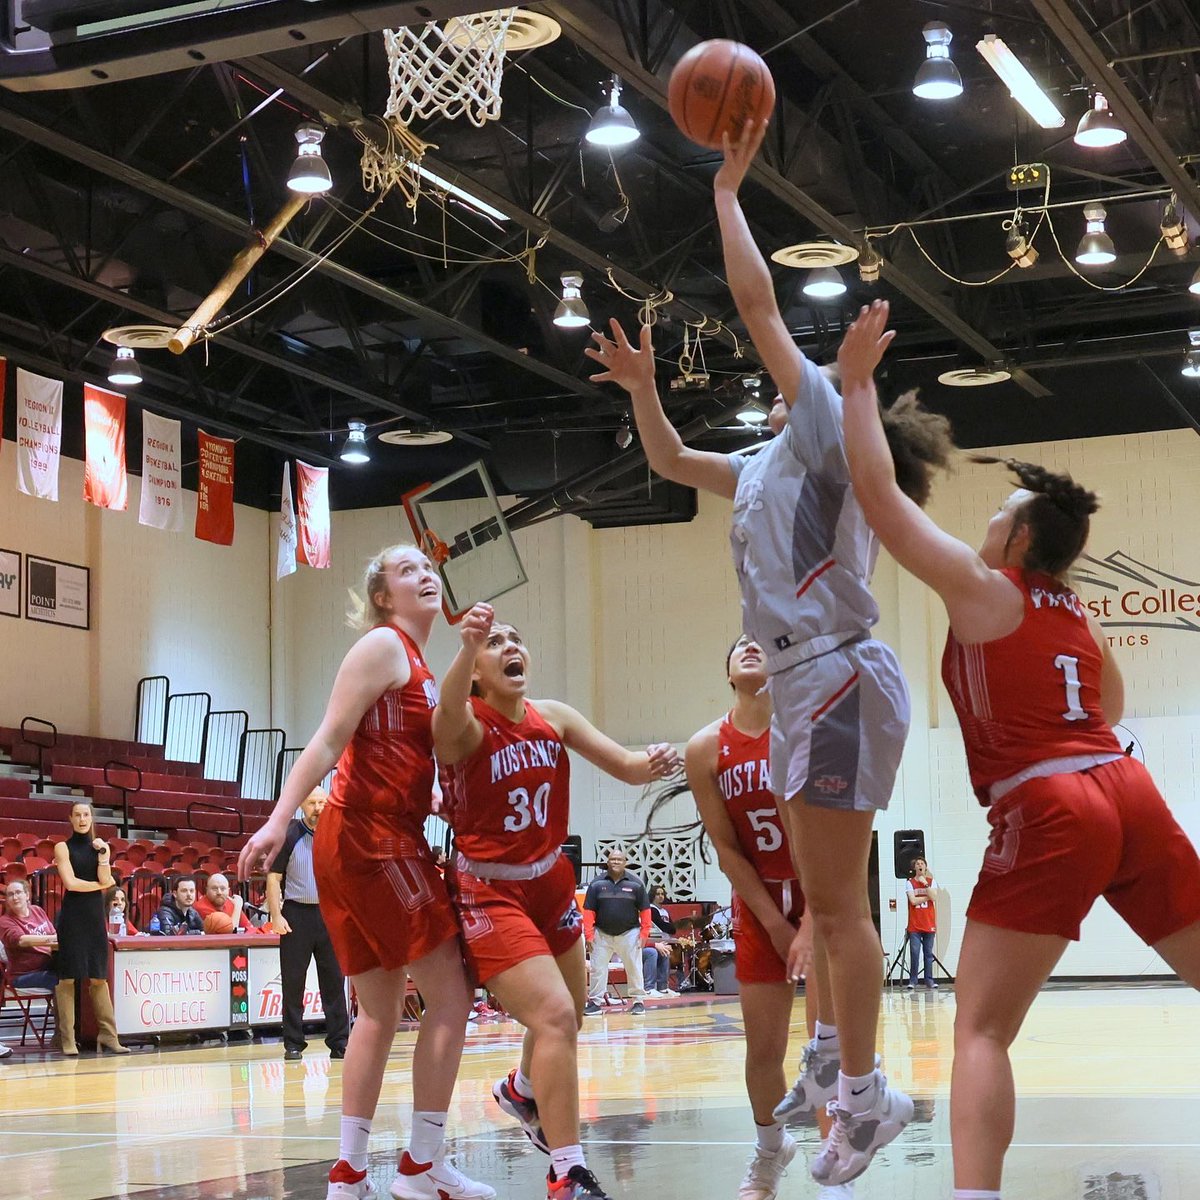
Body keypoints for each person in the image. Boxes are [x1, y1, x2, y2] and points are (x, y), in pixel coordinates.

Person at [584, 119, 955, 1189]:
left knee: (838, 908)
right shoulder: (758, 462)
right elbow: (663, 457)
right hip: (804, 682)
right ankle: (836, 1063)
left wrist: (727, 196)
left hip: (836, 667)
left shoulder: (827, 438)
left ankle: (866, 1094)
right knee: (820, 897)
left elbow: (755, 306)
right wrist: (644, 383)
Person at [837, 298, 1200, 1200]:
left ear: (1022, 537)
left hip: (1051, 803)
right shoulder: (1073, 608)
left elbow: (881, 500)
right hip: (1129, 789)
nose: (987, 525)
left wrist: (852, 389)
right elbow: (1111, 702)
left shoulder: (986, 587)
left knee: (981, 1032)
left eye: (1000, 515)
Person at [237, 544, 493, 1200]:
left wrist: (428, 793)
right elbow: (327, 738)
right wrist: (276, 819)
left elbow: (393, 752)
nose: (425, 575)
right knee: (453, 994)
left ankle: (349, 1175)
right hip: (375, 843)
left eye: (428, 569)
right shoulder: (383, 645)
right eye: (408, 571)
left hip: (369, 840)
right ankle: (422, 1167)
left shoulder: (420, 664)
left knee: (378, 1013)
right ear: (383, 597)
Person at [434, 604, 679, 1200]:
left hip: (548, 880)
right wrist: (466, 644)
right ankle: (567, 1170)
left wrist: (662, 761)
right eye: (495, 642)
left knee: (567, 1011)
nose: (510, 645)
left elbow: (625, 766)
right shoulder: (465, 723)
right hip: (489, 888)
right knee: (556, 1016)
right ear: (475, 671)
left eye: (515, 638)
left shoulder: (555, 716)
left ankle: (521, 1089)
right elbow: (441, 718)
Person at [652, 636, 850, 1200]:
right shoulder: (706, 747)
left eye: (761, 642)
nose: (749, 645)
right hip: (761, 902)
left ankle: (833, 1168)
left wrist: (811, 918)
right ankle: (770, 1151)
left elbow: (832, 833)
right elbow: (727, 848)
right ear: (727, 671)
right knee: (763, 1051)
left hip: (821, 894)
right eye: (738, 644)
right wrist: (777, 924)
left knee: (824, 1044)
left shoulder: (805, 729)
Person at [265, 785, 350, 1062]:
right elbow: (273, 878)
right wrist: (276, 916)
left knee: (334, 983)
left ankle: (339, 1042)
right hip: (296, 916)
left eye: (323, 802)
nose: (318, 808)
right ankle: (293, 1043)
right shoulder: (290, 834)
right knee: (293, 984)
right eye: (313, 802)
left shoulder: (338, 834)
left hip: (329, 915)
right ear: (302, 804)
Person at [53, 800, 128, 1055]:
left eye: (86, 815)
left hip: (95, 918)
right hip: (72, 917)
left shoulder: (100, 848)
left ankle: (109, 1036)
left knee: (99, 977)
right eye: (77, 815)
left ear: (92, 818)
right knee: (68, 978)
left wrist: (105, 854)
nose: (82, 819)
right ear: (71, 819)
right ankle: (68, 1039)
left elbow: (107, 879)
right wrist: (99, 886)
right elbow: (71, 884)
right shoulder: (62, 847)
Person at [582, 851, 651, 1017]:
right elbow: (588, 911)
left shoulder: (636, 884)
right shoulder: (596, 884)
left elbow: (645, 910)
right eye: (612, 859)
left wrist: (645, 933)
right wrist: (589, 935)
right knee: (597, 969)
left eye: (619, 859)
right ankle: (595, 1003)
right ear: (607, 862)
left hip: (630, 933)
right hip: (601, 934)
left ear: (625, 862)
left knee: (634, 968)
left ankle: (638, 1001)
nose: (615, 862)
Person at [1, 878, 59, 988]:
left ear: (27, 895)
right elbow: (21, 940)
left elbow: (53, 934)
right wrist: (51, 940)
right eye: (10, 894)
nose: (15, 897)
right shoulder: (4, 921)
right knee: (62, 979)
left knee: (74, 972)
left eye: (18, 892)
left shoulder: (37, 910)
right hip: (24, 975)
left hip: (48, 964)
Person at [905, 857, 938, 990]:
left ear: (925, 867)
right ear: (915, 868)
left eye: (922, 864)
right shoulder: (910, 882)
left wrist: (925, 884)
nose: (920, 865)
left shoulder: (931, 882)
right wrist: (928, 896)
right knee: (915, 952)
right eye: (917, 864)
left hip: (929, 923)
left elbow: (935, 897)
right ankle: (913, 980)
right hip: (915, 925)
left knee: (928, 953)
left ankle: (929, 980)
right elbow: (913, 901)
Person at [642, 885, 676, 998]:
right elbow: (662, 925)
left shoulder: (664, 911)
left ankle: (663, 987)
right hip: (651, 942)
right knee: (653, 952)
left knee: (664, 952)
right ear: (652, 895)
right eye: (658, 894)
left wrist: (669, 927)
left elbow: (673, 928)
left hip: (662, 941)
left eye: (662, 894)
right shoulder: (650, 909)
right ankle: (649, 987)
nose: (661, 896)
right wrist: (669, 927)